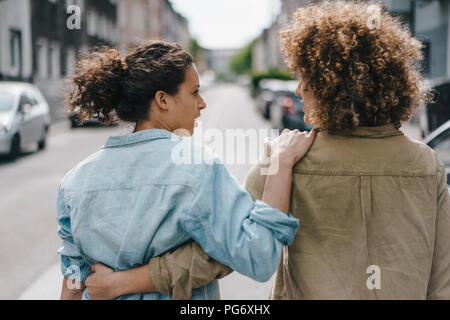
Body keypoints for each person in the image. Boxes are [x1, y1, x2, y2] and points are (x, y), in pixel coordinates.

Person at [84, 1, 450, 300]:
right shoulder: (428, 164)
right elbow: (442, 278)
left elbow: (219, 254)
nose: (298, 90)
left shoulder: (286, 162)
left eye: (307, 77)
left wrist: (124, 283)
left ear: (329, 85)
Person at [58, 40, 316, 300]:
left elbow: (73, 281)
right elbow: (258, 256)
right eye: (194, 92)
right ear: (162, 100)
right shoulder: (195, 167)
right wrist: (281, 163)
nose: (201, 103)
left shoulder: (74, 182)